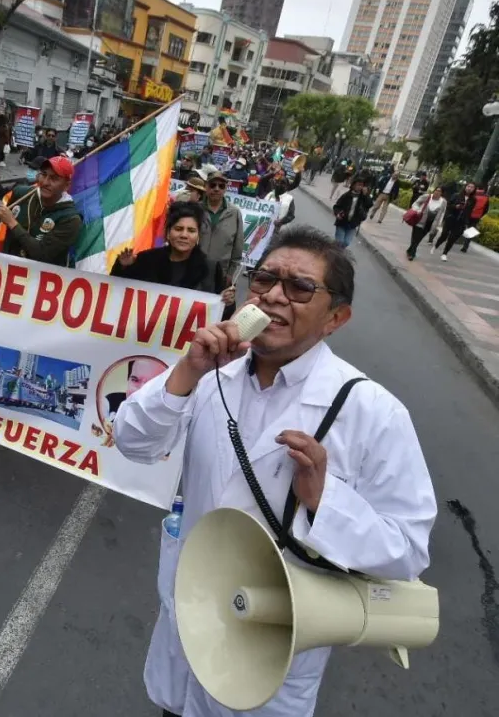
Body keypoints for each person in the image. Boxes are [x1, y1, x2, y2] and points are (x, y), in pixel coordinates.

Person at [114, 225, 435, 717]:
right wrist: (184, 371)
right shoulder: (209, 377)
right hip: (187, 629)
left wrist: (323, 501)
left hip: (270, 662)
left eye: (301, 287)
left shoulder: (373, 413)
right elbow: (133, 442)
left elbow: (407, 554)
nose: (275, 296)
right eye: (265, 279)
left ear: (335, 318)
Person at [111, 202, 237, 306]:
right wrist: (123, 267)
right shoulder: (146, 259)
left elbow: (220, 313)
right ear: (168, 233)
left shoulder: (210, 268)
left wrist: (228, 302)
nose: (184, 235)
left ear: (198, 236)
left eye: (191, 230)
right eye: (178, 229)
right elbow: (116, 294)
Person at [0, 155, 82, 266]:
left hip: (40, 279)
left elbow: (42, 254)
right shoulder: (20, 193)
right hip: (7, 271)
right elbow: (6, 237)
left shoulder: (71, 219)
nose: (45, 182)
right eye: (43, 175)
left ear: (66, 186)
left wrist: (12, 223)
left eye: (54, 178)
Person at [198, 171, 244, 290]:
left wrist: (230, 273)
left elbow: (237, 247)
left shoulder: (234, 213)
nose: (217, 189)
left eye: (221, 186)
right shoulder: (195, 209)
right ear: (206, 186)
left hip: (220, 274)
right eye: (213, 185)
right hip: (194, 271)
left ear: (225, 189)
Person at [433, 181, 476, 261]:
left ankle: (445, 253)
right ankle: (436, 245)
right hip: (451, 218)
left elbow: (469, 212)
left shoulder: (473, 200)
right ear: (465, 187)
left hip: (461, 222)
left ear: (474, 189)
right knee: (444, 235)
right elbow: (448, 206)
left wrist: (466, 223)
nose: (470, 188)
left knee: (452, 239)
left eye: (472, 187)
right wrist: (456, 206)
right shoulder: (456, 195)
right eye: (468, 186)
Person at [405, 187, 445, 260]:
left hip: (430, 223)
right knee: (415, 236)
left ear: (442, 193)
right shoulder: (426, 197)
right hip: (419, 219)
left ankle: (410, 250)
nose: (437, 192)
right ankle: (412, 254)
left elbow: (442, 213)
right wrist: (417, 210)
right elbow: (416, 203)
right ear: (434, 190)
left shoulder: (443, 202)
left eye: (439, 191)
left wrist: (438, 223)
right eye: (436, 190)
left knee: (419, 238)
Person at [332, 177, 370, 248]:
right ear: (353, 185)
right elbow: (336, 206)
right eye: (358, 185)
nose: (360, 187)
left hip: (353, 224)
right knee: (339, 242)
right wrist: (338, 213)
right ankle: (335, 253)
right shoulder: (346, 195)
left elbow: (369, 205)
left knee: (346, 242)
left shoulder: (363, 198)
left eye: (361, 185)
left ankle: (336, 251)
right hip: (342, 222)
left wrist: (365, 195)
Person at [459, 185, 490, 253]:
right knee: (471, 231)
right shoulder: (486, 198)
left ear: (477, 188)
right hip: (477, 217)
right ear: (484, 189)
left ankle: (457, 240)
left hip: (467, 215)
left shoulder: (472, 195)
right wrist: (481, 215)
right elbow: (486, 209)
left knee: (462, 227)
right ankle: (465, 246)